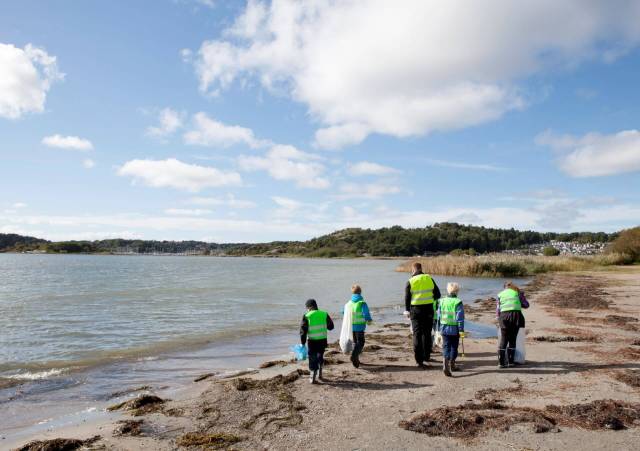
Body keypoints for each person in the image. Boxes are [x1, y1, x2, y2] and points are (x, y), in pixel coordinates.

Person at [404, 262, 441, 368]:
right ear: (421, 269)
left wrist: (407, 310)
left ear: (413, 269)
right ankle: (426, 356)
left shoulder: (410, 281)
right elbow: (438, 294)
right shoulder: (429, 278)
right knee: (427, 333)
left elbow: (407, 298)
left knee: (417, 334)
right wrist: (430, 300)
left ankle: (419, 360)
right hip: (428, 309)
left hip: (415, 310)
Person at [300, 298, 335, 384]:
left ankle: (313, 373)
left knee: (312, 357)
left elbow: (303, 331)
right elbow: (331, 327)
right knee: (320, 355)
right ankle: (320, 372)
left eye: (307, 308)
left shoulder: (307, 316)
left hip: (312, 341)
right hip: (322, 340)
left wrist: (302, 343)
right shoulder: (324, 314)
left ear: (309, 307)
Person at [496, 281, 529, 368]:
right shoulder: (518, 293)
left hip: (504, 317)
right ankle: (511, 362)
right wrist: (520, 300)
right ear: (513, 286)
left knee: (504, 339)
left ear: (504, 287)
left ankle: (501, 363)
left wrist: (498, 319)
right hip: (516, 316)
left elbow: (498, 309)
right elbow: (526, 305)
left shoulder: (500, 294)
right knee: (512, 339)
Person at [437, 282, 465, 377]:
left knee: (446, 346)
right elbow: (460, 318)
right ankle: (452, 364)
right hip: (454, 329)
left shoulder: (442, 301)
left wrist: (438, 328)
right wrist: (461, 330)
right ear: (457, 291)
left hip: (444, 327)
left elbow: (439, 315)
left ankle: (445, 363)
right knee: (454, 347)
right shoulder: (458, 302)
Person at [346, 284, 372, 368]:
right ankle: (354, 355)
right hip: (360, 327)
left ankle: (355, 358)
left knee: (355, 343)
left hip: (351, 327)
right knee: (361, 342)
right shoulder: (362, 303)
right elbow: (366, 313)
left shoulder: (349, 303)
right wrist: (368, 320)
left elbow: (343, 312)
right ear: (360, 292)